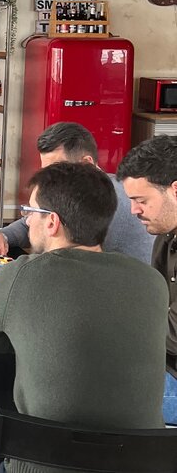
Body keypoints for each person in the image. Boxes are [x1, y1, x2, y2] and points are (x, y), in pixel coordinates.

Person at [0, 162, 167, 473]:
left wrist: (30, 337)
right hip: (143, 463)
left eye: (30, 211)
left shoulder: (24, 273)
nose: (27, 220)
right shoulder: (153, 282)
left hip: (44, 464)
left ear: (52, 222)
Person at [0, 121, 153, 263]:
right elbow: (35, 219)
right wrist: (4, 236)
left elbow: (61, 261)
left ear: (86, 163)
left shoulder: (103, 201)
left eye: (58, 170)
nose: (49, 180)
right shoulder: (79, 191)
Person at [116, 135, 177, 425]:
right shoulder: (166, 232)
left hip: (171, 373)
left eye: (142, 200)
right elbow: (154, 303)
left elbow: (172, 337)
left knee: (90, 389)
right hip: (163, 363)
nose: (134, 210)